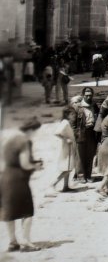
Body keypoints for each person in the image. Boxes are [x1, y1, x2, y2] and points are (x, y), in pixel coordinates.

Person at [1, 118, 44, 252]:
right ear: (31, 130)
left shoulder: (9, 139)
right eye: (36, 131)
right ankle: (25, 242)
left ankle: (13, 242)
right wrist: (36, 166)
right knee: (27, 211)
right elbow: (25, 164)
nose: (36, 134)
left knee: (9, 212)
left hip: (5, 178)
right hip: (18, 180)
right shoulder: (24, 141)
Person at [53, 107, 77, 192]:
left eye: (74, 114)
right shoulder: (65, 122)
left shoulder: (67, 122)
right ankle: (54, 183)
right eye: (72, 114)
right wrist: (66, 139)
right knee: (68, 168)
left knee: (68, 167)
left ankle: (65, 186)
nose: (74, 116)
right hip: (67, 148)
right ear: (67, 115)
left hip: (69, 147)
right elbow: (57, 133)